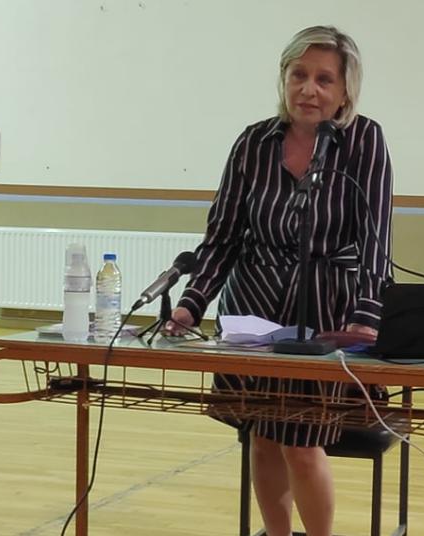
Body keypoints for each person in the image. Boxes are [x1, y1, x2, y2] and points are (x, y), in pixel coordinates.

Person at [167, 25, 393, 536]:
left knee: (300, 441)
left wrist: (366, 316)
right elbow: (223, 235)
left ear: (345, 91)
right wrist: (192, 302)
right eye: (298, 75)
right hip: (252, 309)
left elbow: (376, 238)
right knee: (262, 436)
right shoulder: (254, 142)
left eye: (324, 79)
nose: (308, 89)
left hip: (325, 317)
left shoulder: (364, 140)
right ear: (284, 79)